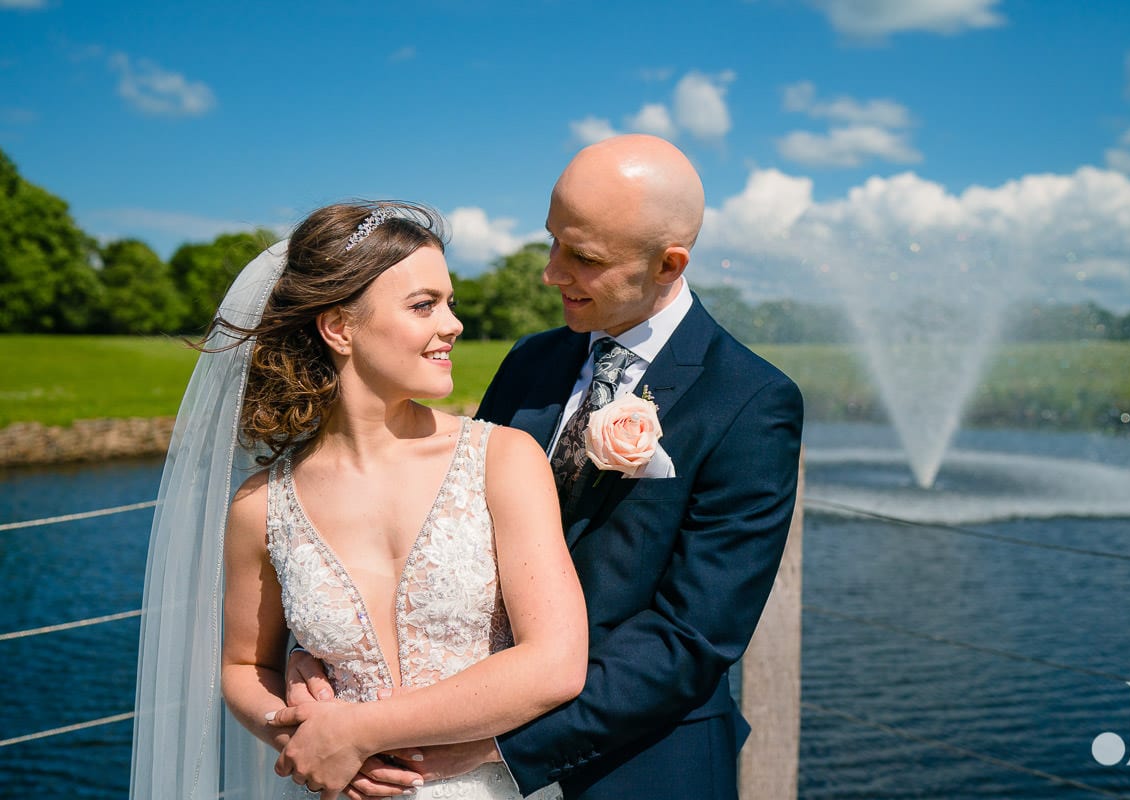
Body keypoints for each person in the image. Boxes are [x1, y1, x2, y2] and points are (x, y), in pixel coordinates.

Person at [290, 134, 805, 800]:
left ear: (668, 264)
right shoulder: (531, 361)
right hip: (451, 745)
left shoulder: (751, 402)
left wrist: (495, 746)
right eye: (552, 241)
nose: (552, 272)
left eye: (582, 257)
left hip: (641, 768)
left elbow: (691, 638)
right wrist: (331, 649)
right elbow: (430, 530)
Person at [129, 201, 588, 800]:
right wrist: (301, 738)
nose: (453, 324)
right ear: (339, 327)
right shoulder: (260, 506)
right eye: (424, 305)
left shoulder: (503, 459)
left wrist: (353, 733)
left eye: (450, 303)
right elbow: (245, 670)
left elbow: (554, 662)